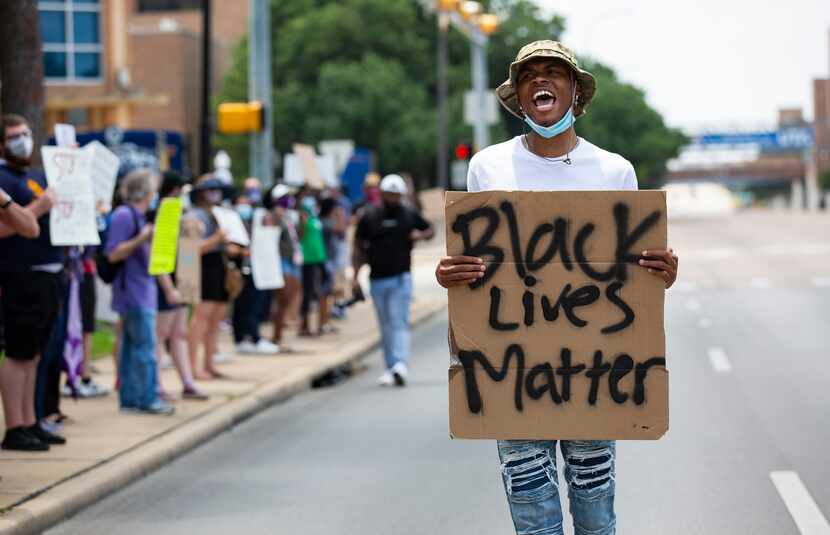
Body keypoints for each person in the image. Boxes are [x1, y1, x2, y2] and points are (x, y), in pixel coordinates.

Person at [434, 41, 679, 535]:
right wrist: (450, 278)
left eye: (553, 73)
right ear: (518, 96)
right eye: (528, 76)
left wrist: (662, 272)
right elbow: (475, 264)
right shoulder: (487, 167)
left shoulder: (614, 171)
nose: (540, 81)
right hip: (510, 370)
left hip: (595, 372)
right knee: (533, 517)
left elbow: (630, 275)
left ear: (574, 92)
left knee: (594, 514)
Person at [0, 113, 66, 450]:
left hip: (50, 273)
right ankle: (14, 427)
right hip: (20, 274)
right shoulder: (4, 179)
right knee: (18, 353)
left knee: (35, 354)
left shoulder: (35, 176)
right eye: (14, 136)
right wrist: (38, 208)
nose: (23, 140)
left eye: (26, 133)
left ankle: (30, 420)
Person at [353, 174, 433, 386]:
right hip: (377, 278)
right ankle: (390, 367)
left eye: (397, 195)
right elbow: (358, 247)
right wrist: (354, 277)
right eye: (390, 195)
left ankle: (400, 364)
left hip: (401, 277)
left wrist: (419, 236)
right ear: (382, 194)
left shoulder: (408, 213)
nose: (393, 199)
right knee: (385, 324)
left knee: (399, 321)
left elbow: (429, 229)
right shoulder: (369, 215)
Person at [106, 168, 174, 415]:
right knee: (144, 348)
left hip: (143, 291)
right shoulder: (125, 215)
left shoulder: (141, 216)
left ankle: (132, 398)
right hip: (132, 292)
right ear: (145, 191)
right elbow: (113, 253)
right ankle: (146, 398)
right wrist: (142, 238)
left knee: (134, 347)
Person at [154, 171, 208, 400]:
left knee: (179, 334)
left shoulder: (182, 215)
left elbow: (194, 241)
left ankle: (187, 381)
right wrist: (168, 287)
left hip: (182, 278)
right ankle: (155, 384)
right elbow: (160, 255)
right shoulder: (164, 214)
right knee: (161, 334)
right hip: (169, 282)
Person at [187, 174, 237, 379]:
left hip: (219, 267)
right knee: (201, 319)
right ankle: (193, 367)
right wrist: (217, 239)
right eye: (210, 190)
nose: (215, 194)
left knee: (216, 318)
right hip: (203, 268)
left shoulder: (220, 215)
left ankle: (209, 362)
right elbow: (191, 249)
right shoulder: (194, 216)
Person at [230, 178, 279, 354]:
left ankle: (252, 336)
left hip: (257, 267)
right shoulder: (233, 216)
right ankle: (244, 337)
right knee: (243, 303)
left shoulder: (260, 214)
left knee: (255, 302)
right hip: (240, 267)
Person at [266, 184, 302, 348]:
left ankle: (279, 336)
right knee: (282, 298)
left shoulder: (289, 216)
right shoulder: (273, 215)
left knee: (288, 298)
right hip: (281, 260)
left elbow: (296, 238)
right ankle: (276, 336)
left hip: (292, 259)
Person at [298, 192, 329, 336]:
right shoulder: (304, 219)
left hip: (320, 258)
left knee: (322, 291)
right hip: (308, 260)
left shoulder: (316, 219)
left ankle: (322, 323)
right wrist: (302, 219)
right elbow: (300, 236)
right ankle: (304, 326)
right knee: (308, 293)